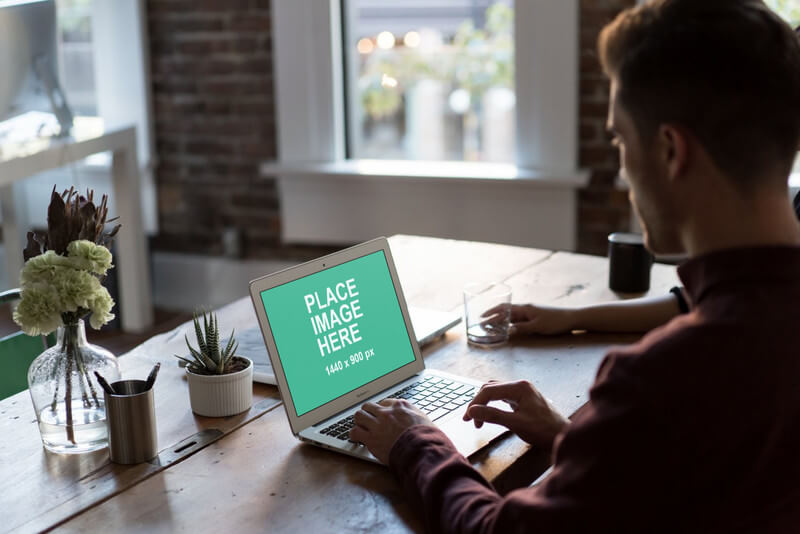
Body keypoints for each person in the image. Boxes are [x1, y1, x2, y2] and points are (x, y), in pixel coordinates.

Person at [350, 1, 800, 532]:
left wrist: (415, 444)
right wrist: (579, 442)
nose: (622, 169)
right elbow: (704, 482)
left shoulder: (665, 379)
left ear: (671, 151)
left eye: (619, 139)